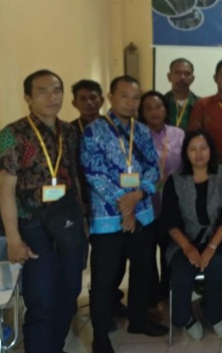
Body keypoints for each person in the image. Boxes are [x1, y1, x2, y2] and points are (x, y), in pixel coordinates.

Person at [0, 70, 86, 353]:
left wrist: (82, 221)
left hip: (67, 221)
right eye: (43, 91)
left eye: (57, 90)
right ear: (28, 97)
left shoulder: (69, 132)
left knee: (70, 291)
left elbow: (75, 179)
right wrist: (13, 240)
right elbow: (5, 190)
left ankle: (54, 347)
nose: (52, 97)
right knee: (41, 299)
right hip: (32, 226)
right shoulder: (11, 135)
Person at [81, 75, 167, 353]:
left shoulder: (141, 130)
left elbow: (153, 168)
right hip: (108, 217)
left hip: (142, 212)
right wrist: (124, 203)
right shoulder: (93, 131)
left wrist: (138, 195)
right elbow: (94, 174)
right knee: (104, 279)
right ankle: (100, 337)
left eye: (135, 97)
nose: (130, 103)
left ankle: (138, 320)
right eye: (124, 96)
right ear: (110, 97)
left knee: (142, 270)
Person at [161, 131, 222, 340]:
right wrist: (187, 247)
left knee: (217, 266)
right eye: (193, 149)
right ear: (185, 153)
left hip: (220, 238)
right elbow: (169, 220)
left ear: (211, 150)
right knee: (180, 273)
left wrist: (211, 247)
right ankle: (185, 318)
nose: (198, 154)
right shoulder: (175, 180)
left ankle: (214, 313)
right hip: (184, 240)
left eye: (203, 148)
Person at [72, 79, 128, 320]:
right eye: (83, 98)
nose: (89, 103)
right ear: (74, 103)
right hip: (81, 204)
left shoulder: (115, 127)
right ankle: (95, 308)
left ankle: (112, 301)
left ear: (103, 99)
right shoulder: (69, 132)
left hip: (112, 205)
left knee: (116, 258)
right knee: (93, 262)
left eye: (93, 97)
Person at [138, 90, 185, 303]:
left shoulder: (179, 135)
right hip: (145, 204)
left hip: (173, 204)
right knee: (146, 255)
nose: (154, 112)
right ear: (142, 113)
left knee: (170, 253)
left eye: (158, 106)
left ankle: (168, 296)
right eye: (148, 108)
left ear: (166, 109)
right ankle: (151, 299)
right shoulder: (136, 136)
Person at [163, 58, 198, 130]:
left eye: (187, 74)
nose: (182, 78)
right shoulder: (161, 104)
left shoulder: (201, 105)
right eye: (177, 73)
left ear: (192, 79)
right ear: (169, 76)